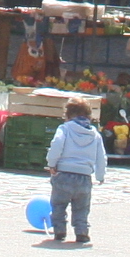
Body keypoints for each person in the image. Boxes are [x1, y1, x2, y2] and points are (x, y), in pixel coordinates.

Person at [44, 97, 108, 244]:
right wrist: (100, 175)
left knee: (58, 205)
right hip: (84, 178)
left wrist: (52, 164)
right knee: (81, 209)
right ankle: (82, 232)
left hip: (64, 175)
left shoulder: (65, 129)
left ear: (67, 115)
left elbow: (56, 145)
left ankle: (59, 230)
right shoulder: (95, 135)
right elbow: (101, 157)